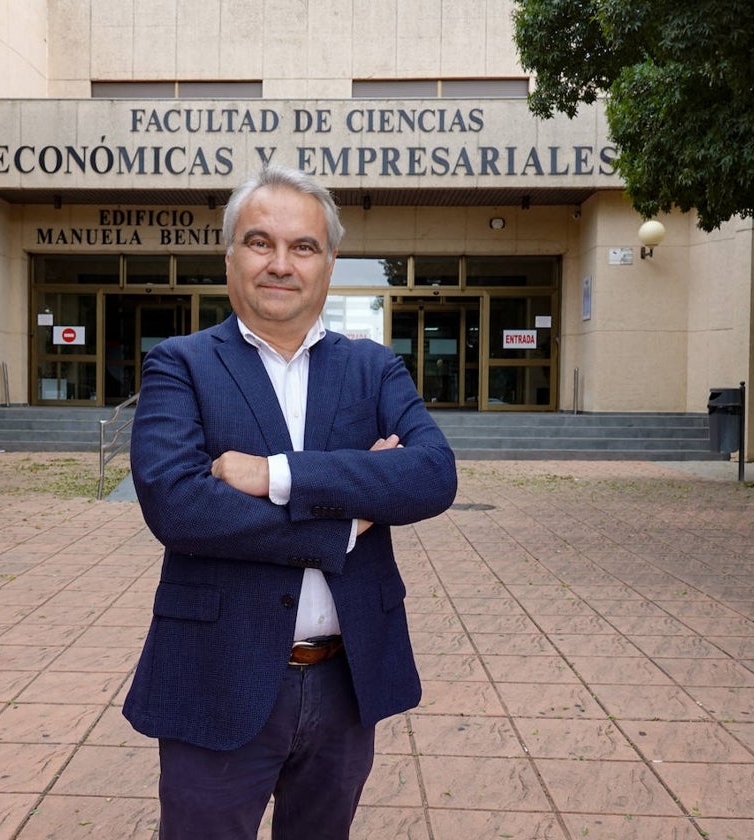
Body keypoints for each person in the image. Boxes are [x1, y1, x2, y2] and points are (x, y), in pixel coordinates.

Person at [123, 164, 458, 839]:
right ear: (229, 258)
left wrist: (275, 474)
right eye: (259, 242)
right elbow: (178, 505)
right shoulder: (180, 364)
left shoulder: (373, 369)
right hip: (215, 673)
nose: (281, 263)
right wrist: (351, 516)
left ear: (329, 264)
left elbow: (430, 476)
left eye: (303, 247)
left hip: (345, 679)